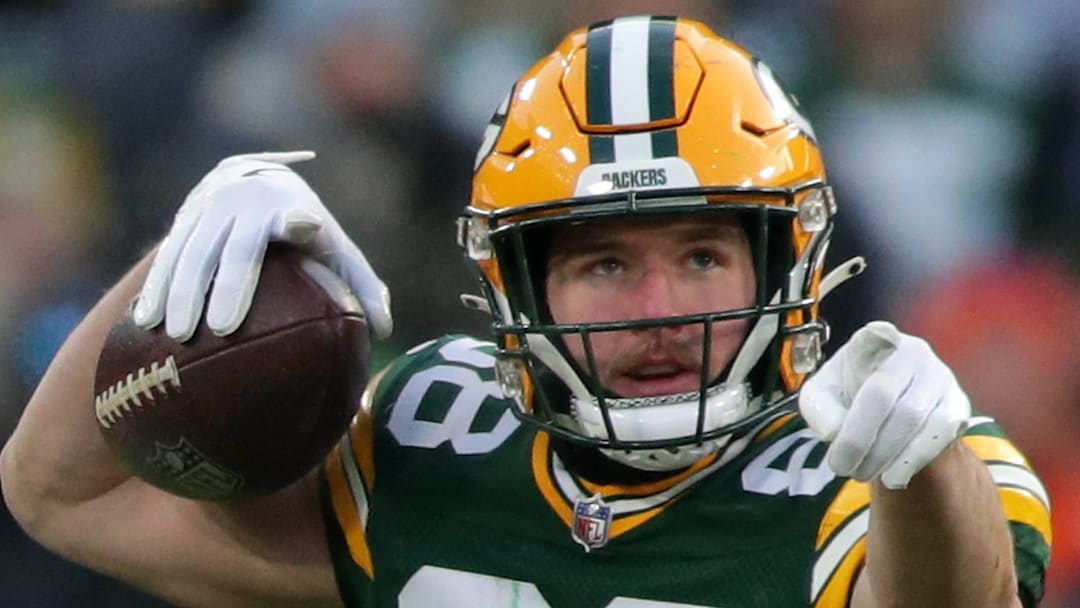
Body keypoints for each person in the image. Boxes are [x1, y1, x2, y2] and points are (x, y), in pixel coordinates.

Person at [0, 16, 1051, 608]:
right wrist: (170, 272)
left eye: (700, 254)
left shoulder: (884, 471)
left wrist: (926, 469)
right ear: (519, 281)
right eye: (603, 262)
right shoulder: (431, 433)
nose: (661, 309)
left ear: (787, 259)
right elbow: (60, 491)